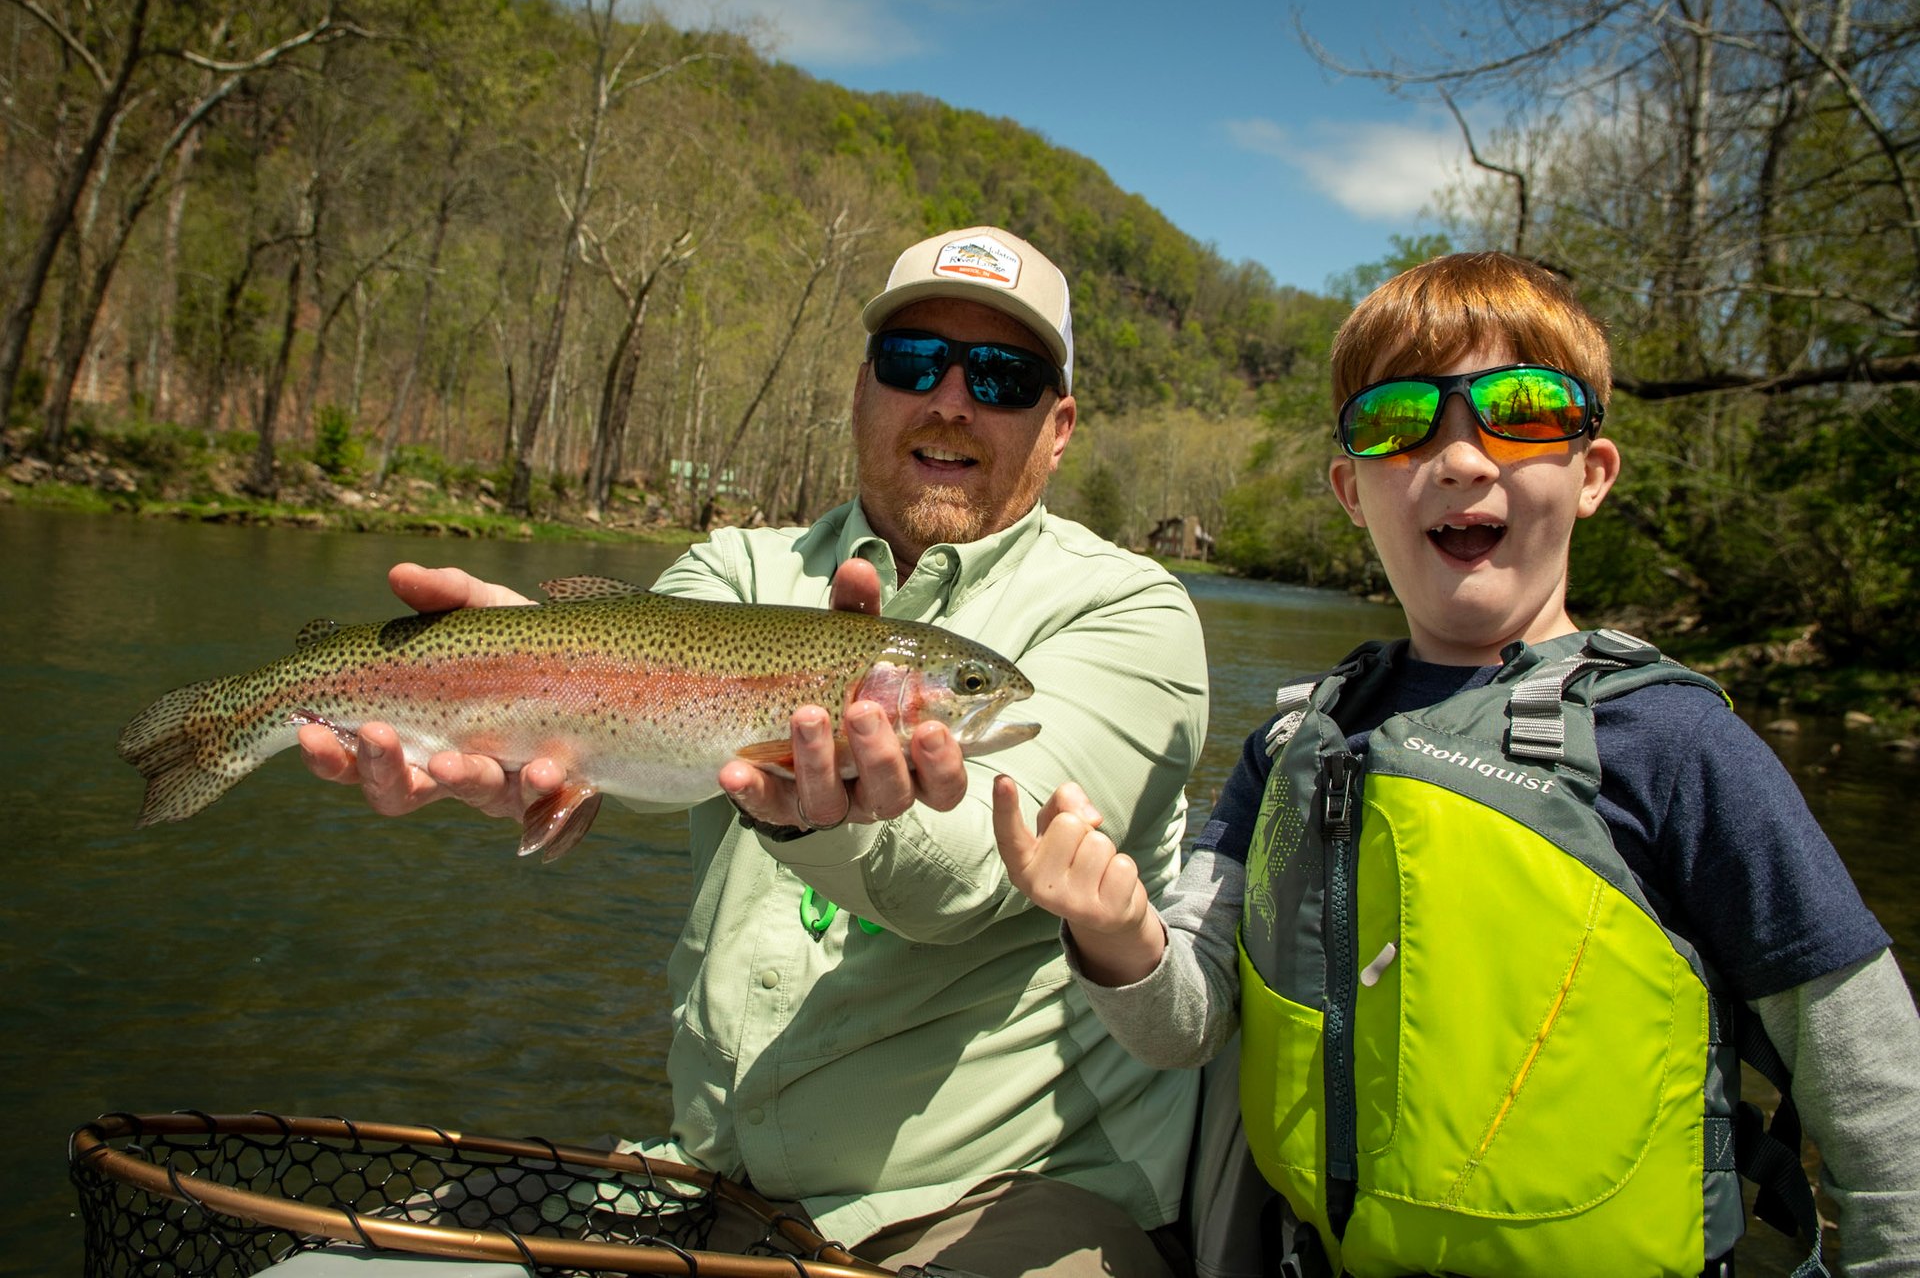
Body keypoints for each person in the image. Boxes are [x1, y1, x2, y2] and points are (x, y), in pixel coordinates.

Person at [298, 226, 1211, 1278]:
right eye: (915, 361)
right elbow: (619, 715)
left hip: (991, 1205)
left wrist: (797, 812)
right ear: (864, 391)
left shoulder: (1129, 612)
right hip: (700, 1182)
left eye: (1001, 375)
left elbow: (971, 871)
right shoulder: (735, 568)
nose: (952, 399)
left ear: (1058, 428)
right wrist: (526, 706)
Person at [991, 252, 1920, 1276]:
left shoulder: (1680, 747)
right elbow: (1187, 1024)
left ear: (1593, 473)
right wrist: (1118, 934)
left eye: (1521, 409)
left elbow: (1875, 1086)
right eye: (1399, 420)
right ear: (1352, 488)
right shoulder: (1288, 748)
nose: (1463, 457)